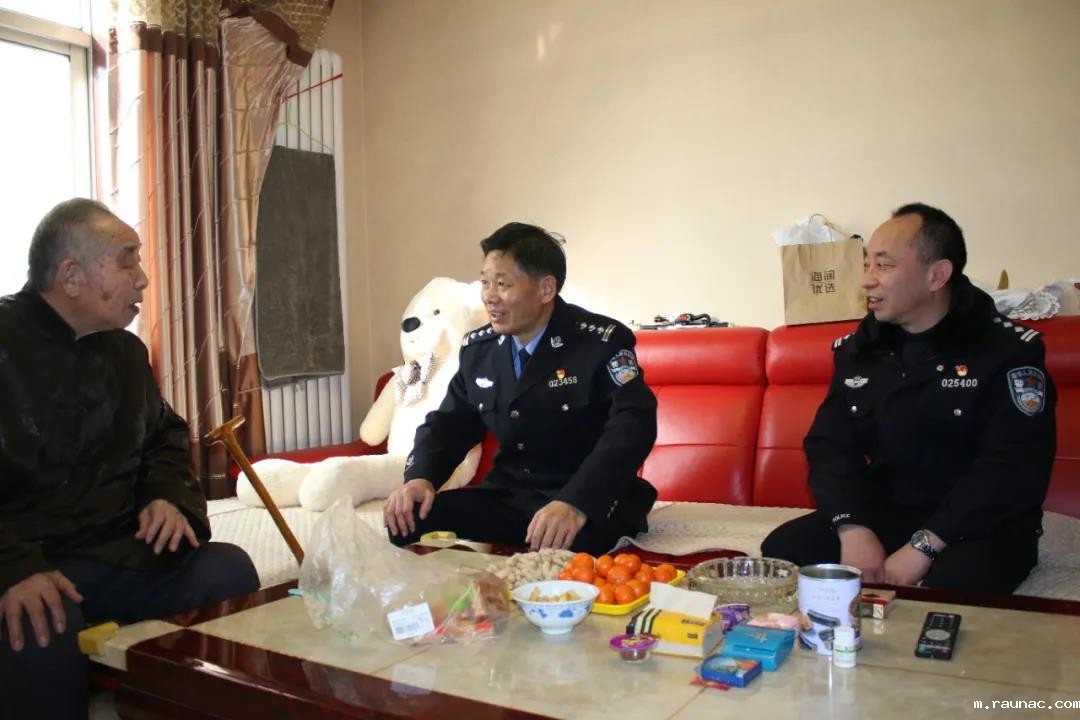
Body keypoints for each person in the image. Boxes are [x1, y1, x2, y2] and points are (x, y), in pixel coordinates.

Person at [0, 199, 259, 720]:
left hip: (117, 551)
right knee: (40, 622)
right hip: (33, 559)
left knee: (226, 570)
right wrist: (14, 567)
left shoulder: (125, 353)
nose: (142, 279)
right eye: (127, 261)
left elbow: (164, 437)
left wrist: (165, 496)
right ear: (71, 276)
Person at [761, 203, 1056, 593]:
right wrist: (852, 527)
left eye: (883, 266)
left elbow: (1011, 467)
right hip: (892, 510)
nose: (867, 281)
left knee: (952, 590)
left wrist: (925, 546)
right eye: (867, 265)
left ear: (937, 275)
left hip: (979, 521)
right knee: (783, 552)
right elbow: (830, 444)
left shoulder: (1006, 351)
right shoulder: (861, 348)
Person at [384, 222, 658, 554]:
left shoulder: (600, 342)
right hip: (511, 496)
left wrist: (576, 502)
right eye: (485, 282)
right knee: (406, 521)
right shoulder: (479, 350)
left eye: (503, 284)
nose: (489, 296)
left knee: (574, 542)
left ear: (546, 289)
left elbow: (633, 426)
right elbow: (448, 425)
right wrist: (420, 477)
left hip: (584, 495)